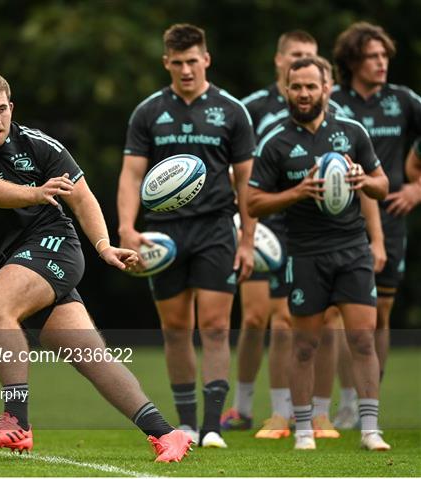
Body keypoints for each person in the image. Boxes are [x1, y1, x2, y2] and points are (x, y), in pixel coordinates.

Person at [0, 71, 193, 463]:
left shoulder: (39, 144)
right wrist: (35, 192)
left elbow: (82, 197)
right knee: (91, 356)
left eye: (3, 109)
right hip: (19, 255)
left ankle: (16, 422)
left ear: (12, 108)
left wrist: (104, 245)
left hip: (54, 246)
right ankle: (167, 433)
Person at [117, 24, 256, 448]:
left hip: (216, 228)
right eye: (177, 63)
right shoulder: (148, 112)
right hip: (164, 233)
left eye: (193, 61)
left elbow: (246, 182)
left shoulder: (232, 111)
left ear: (206, 59)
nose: (186, 70)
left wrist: (247, 239)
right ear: (166, 64)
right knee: (175, 328)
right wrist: (125, 226)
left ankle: (213, 425)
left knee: (214, 326)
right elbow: (132, 174)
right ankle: (189, 424)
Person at [248, 57, 390, 451]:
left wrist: (365, 180)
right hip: (306, 254)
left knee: (362, 338)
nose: (304, 94)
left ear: (326, 88)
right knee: (305, 344)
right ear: (286, 90)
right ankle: (305, 431)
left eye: (312, 86)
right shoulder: (274, 141)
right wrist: (298, 193)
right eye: (297, 87)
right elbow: (254, 202)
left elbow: (382, 184)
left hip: (352, 250)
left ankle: (369, 430)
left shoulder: (352, 132)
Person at [221, 33, 342, 440]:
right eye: (297, 57)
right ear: (280, 62)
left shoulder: (333, 112)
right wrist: (242, 226)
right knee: (258, 318)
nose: (304, 63)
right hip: (266, 225)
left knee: (308, 320)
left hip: (313, 229)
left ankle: (309, 413)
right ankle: (245, 406)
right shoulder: (253, 108)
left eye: (311, 58)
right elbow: (238, 171)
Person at [331, 22, 421, 427]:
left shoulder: (403, 100)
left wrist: (417, 189)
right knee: (337, 314)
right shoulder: (331, 101)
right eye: (373, 56)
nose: (382, 63)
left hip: (390, 217)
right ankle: (346, 401)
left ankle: (370, 400)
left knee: (378, 314)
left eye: (385, 56)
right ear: (352, 60)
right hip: (337, 223)